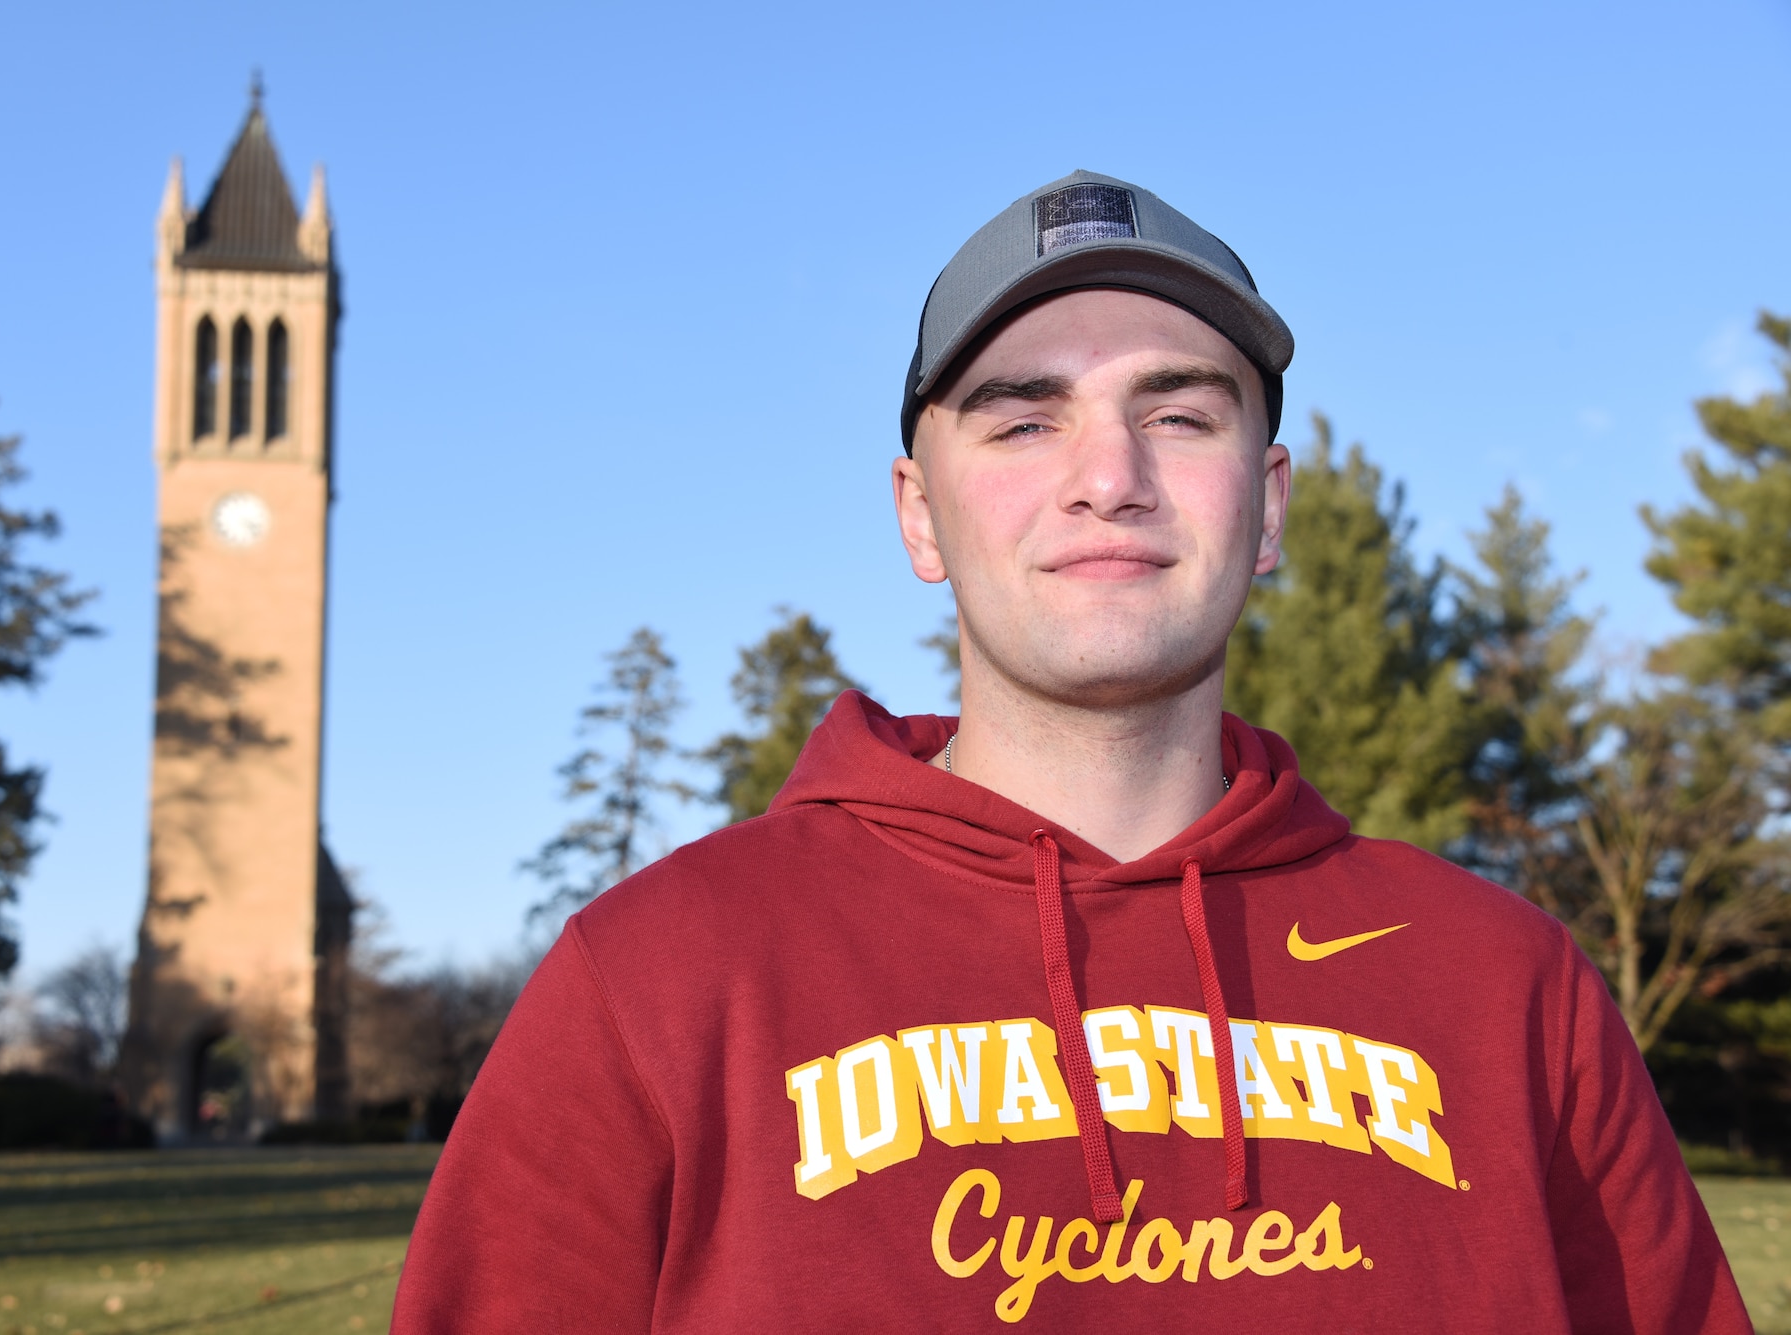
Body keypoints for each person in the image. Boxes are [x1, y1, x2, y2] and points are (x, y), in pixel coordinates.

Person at [392, 172, 1750, 1331]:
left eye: (1180, 413)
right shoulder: (654, 982)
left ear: (1267, 508)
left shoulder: (1513, 997)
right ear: (920, 516)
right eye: (1025, 417)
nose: (1111, 475)